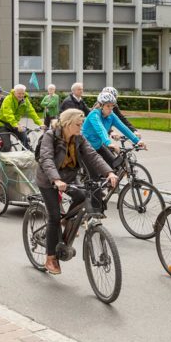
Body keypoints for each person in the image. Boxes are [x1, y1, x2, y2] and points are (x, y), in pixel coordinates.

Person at [35, 108, 119, 275]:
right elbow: (46, 159)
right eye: (78, 124)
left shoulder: (79, 138)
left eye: (81, 124)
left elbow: (93, 156)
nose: (81, 127)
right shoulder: (50, 136)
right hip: (48, 178)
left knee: (82, 196)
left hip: (70, 176)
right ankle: (50, 258)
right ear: (67, 124)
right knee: (53, 217)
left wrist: (108, 172)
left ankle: (68, 220)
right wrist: (55, 179)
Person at [81, 92, 144, 168]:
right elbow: (101, 130)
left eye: (112, 106)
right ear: (101, 105)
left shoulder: (111, 115)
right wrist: (109, 143)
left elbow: (123, 127)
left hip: (98, 145)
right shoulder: (94, 115)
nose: (111, 109)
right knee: (97, 175)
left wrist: (137, 141)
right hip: (86, 146)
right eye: (108, 106)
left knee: (116, 166)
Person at [0, 84, 43, 150]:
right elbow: (8, 114)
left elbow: (32, 112)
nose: (21, 95)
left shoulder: (25, 100)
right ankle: (2, 158)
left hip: (15, 124)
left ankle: (24, 157)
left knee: (25, 140)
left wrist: (40, 123)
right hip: (2, 124)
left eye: (23, 93)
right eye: (19, 93)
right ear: (14, 92)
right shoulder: (8, 99)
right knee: (7, 146)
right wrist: (16, 125)